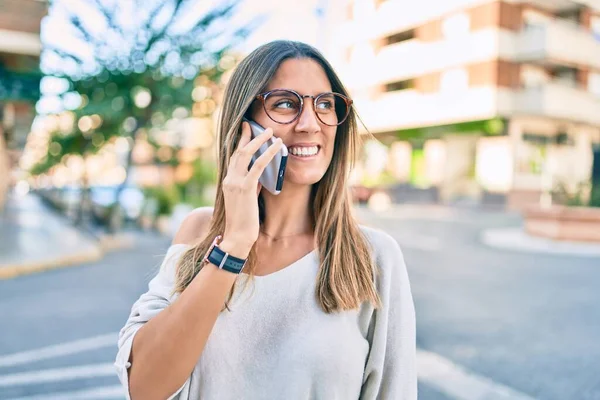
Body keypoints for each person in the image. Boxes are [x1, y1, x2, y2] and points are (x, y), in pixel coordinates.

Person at [115, 40, 416, 400]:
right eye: (286, 104)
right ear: (244, 123)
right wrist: (234, 245)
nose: (309, 124)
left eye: (324, 104)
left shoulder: (374, 256)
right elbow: (144, 387)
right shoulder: (199, 232)